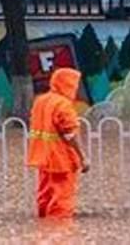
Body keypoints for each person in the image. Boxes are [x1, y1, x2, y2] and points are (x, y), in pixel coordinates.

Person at [27, 67, 90, 218]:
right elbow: (70, 134)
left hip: (43, 157)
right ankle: (59, 233)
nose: (76, 88)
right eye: (74, 84)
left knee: (45, 192)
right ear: (68, 84)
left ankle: (43, 229)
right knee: (62, 198)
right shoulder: (63, 105)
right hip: (61, 158)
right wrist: (83, 157)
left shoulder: (40, 101)